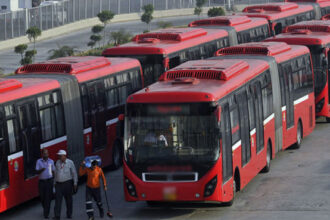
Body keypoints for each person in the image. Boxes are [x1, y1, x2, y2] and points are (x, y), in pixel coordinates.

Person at [53, 150, 78, 220]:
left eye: (60, 156)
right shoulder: (57, 163)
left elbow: (74, 173)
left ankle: (69, 214)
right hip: (58, 184)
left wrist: (75, 183)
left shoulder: (70, 162)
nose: (59, 157)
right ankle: (57, 216)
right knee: (58, 200)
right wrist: (54, 183)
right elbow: (55, 173)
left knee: (68, 200)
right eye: (59, 156)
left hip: (67, 183)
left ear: (64, 156)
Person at [36, 149, 55, 219]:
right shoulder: (38, 161)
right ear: (42, 155)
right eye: (44, 154)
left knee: (48, 198)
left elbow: (53, 171)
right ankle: (45, 208)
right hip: (41, 182)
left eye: (47, 153)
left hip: (49, 181)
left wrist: (54, 181)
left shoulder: (51, 161)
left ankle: (46, 213)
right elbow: (37, 172)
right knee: (42, 198)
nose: (46, 155)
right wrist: (42, 169)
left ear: (48, 154)